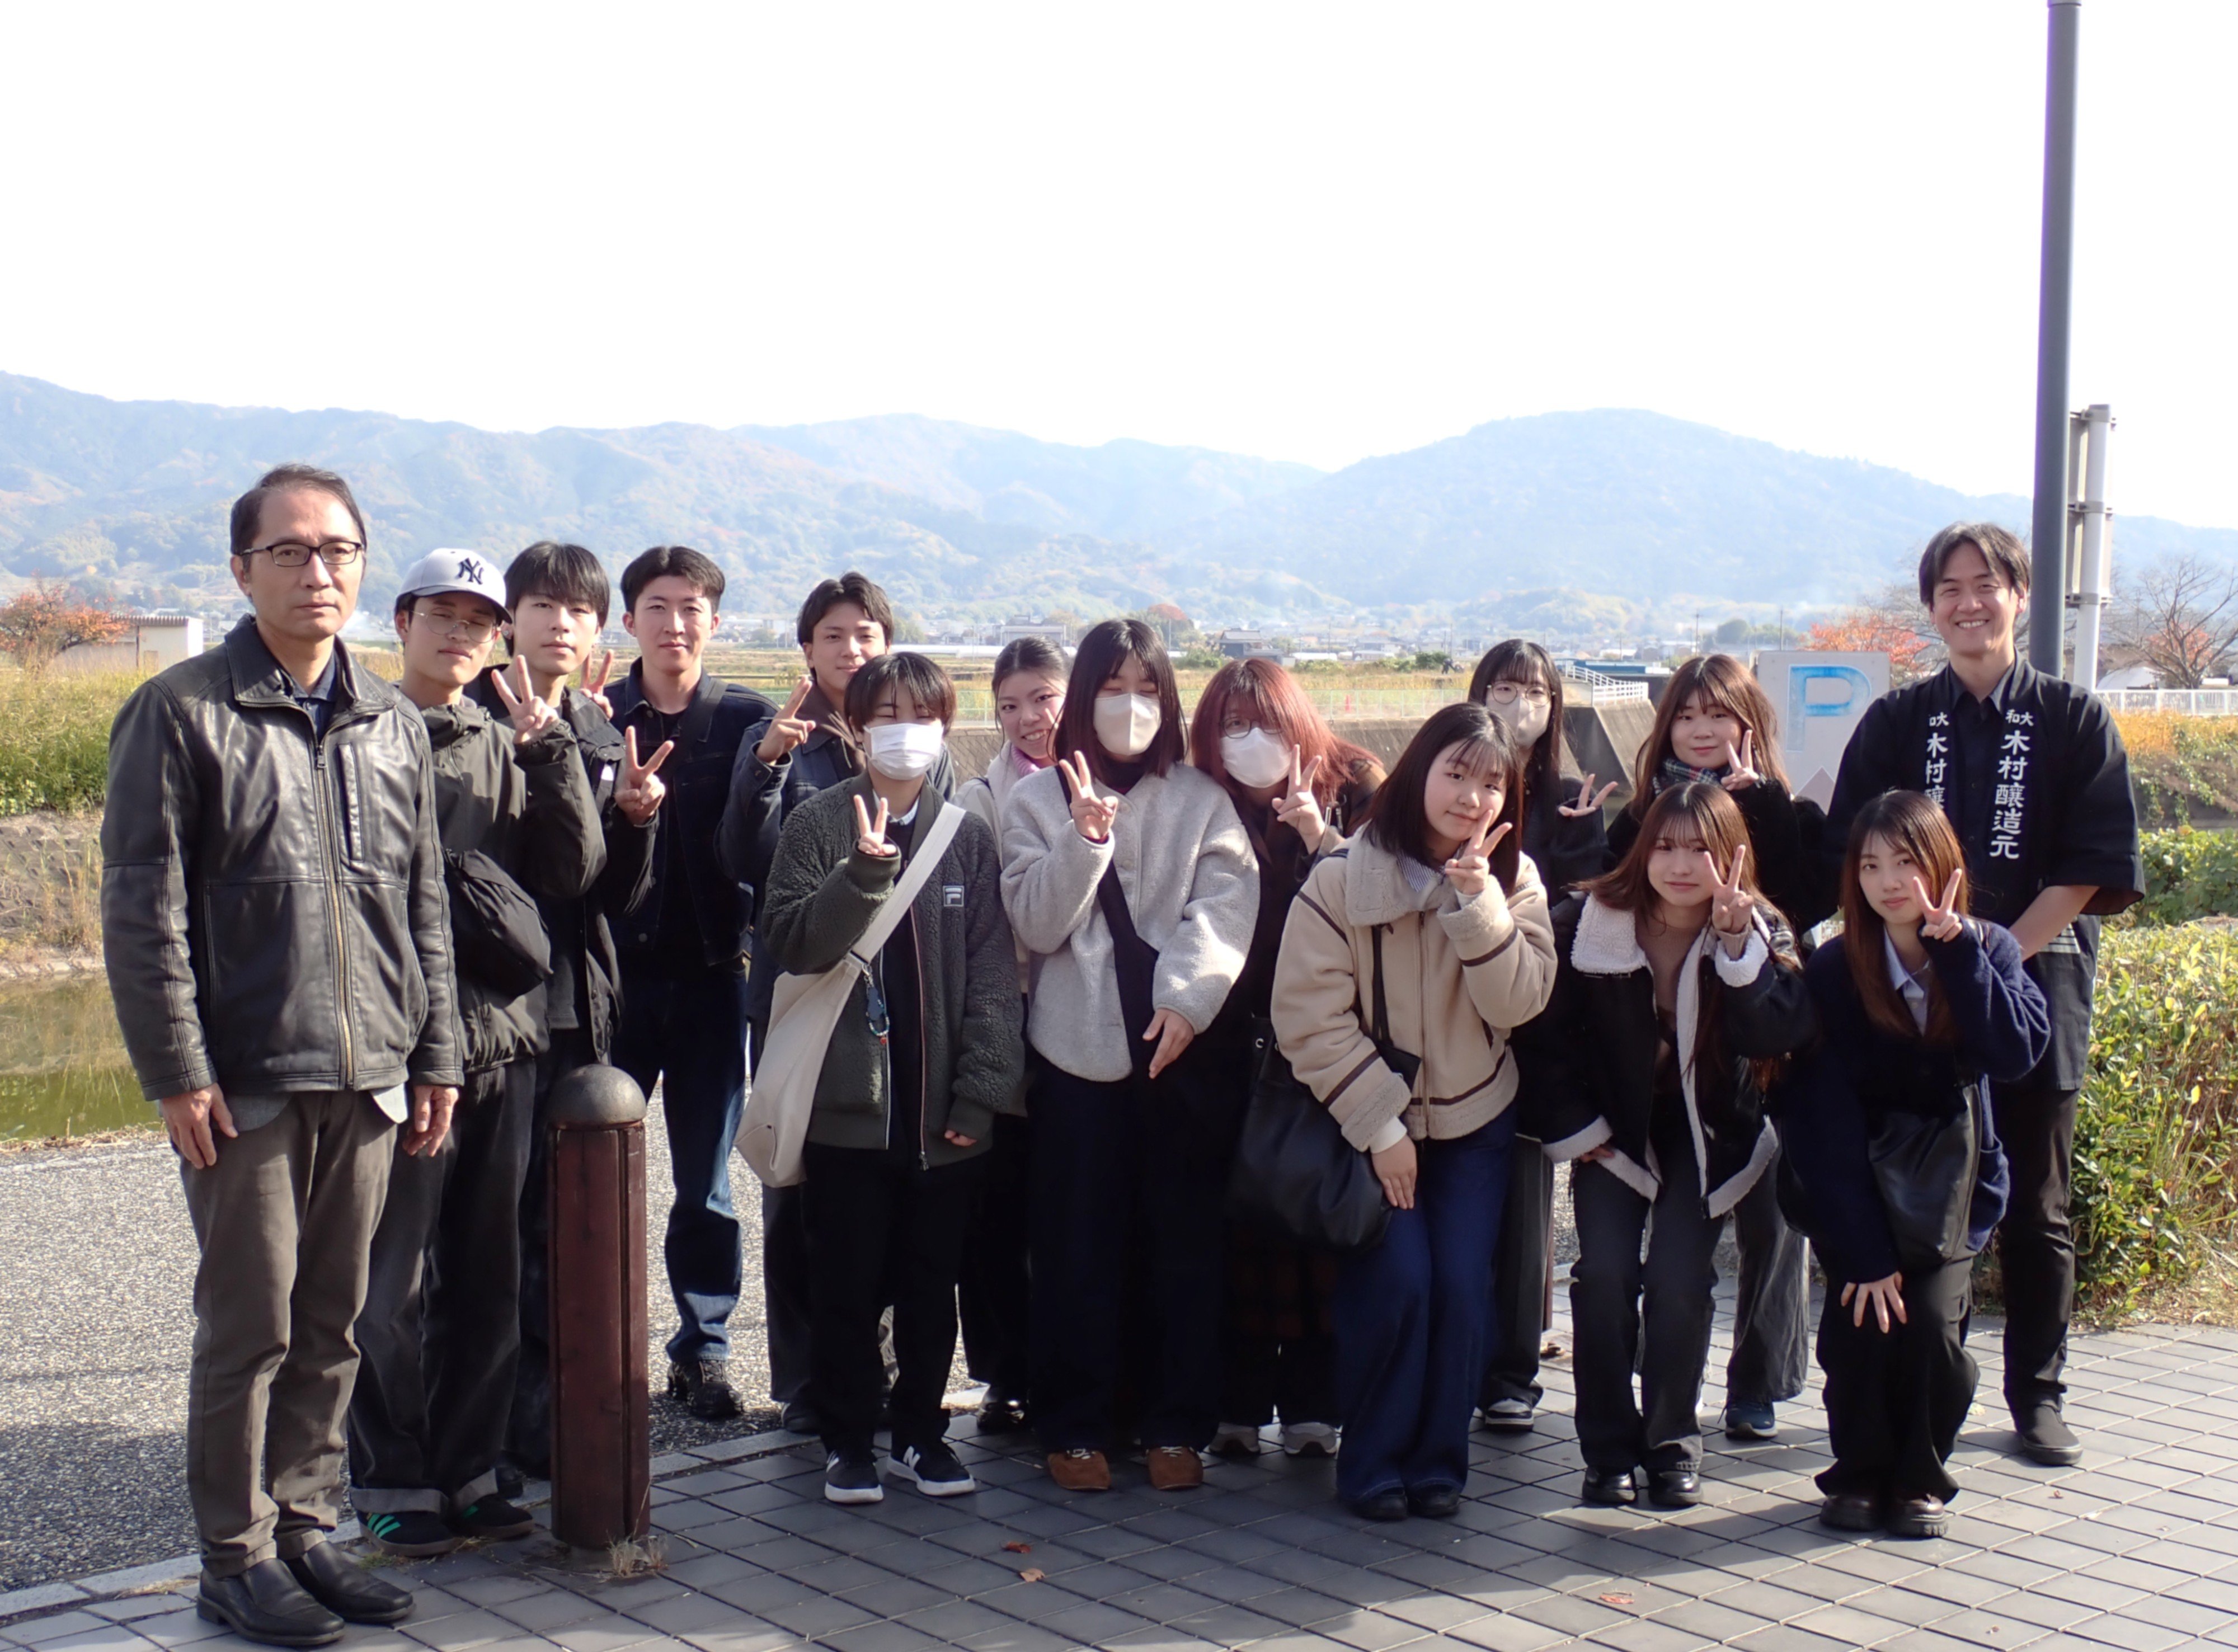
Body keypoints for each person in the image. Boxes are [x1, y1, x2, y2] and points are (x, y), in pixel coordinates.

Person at [102, 465, 462, 1646]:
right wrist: (176, 1069)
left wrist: (437, 1052)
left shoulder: (389, 719)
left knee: (333, 1321)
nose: (318, 572)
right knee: (248, 1328)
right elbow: (143, 907)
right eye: (291, 551)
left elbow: (421, 903)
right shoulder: (180, 710)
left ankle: (308, 1528)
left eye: (339, 550)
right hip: (247, 1079)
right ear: (241, 569)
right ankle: (234, 1555)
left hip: (370, 1073)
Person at [1823, 523, 2142, 1466]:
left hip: (2033, 985)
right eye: (1950, 589)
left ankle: (2038, 1393)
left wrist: (1986, 959)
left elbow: (2088, 869)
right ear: (1931, 607)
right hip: (1910, 999)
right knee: (1923, 1189)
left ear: (2019, 594)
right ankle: (1930, 1386)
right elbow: (1849, 850)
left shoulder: (2075, 719)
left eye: (1986, 584)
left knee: (2036, 1200)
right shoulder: (1898, 722)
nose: (1969, 603)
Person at [349, 551, 604, 1555]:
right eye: (442, 616)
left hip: (503, 1039)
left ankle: (469, 1468)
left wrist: (553, 758)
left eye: (478, 622)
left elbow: (571, 873)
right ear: (403, 621)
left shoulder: (510, 741)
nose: (461, 635)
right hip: (399, 1047)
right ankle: (391, 1474)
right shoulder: (359, 734)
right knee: (394, 1279)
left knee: (489, 1270)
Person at [1270, 702, 1557, 1520]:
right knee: (1399, 1283)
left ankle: (1438, 1462)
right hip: (1371, 1126)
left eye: (1491, 784)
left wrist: (1479, 907)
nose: (1472, 797)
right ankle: (1372, 1460)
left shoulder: (1514, 880)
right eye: (1456, 774)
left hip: (1474, 1121)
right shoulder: (1341, 878)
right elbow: (1307, 1017)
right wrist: (1381, 1127)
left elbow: (1521, 1004)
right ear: (1418, 772)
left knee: (1463, 1289)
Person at [759, 652, 1026, 1504]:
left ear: (945, 727)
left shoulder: (966, 836)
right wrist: (862, 878)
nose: (905, 730)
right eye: (887, 714)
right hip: (848, 1109)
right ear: (858, 726)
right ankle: (848, 1441)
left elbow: (993, 975)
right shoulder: (817, 823)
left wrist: (981, 1091)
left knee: (929, 1286)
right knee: (843, 1284)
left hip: (941, 1114)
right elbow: (789, 941)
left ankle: (921, 1433)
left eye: (923, 714)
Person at [1000, 618, 1258, 1493]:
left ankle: (1174, 1420)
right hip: (1073, 1055)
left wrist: (1186, 998)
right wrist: (1084, 841)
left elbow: (1226, 906)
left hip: (1175, 1053)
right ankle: (1074, 1424)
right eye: (1113, 688)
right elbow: (1035, 925)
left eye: (1148, 689)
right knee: (1075, 1244)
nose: (1132, 706)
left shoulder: (1201, 800)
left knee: (1179, 1241)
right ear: (1084, 697)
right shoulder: (1034, 802)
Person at [1521, 783, 1814, 1510]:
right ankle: (1607, 1452)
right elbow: (1541, 1041)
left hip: (1707, 1132)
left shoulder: (1761, 926)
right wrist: (1580, 1128)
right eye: (1666, 846)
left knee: (1681, 1282)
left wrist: (1739, 948)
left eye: (1701, 849)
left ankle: (1673, 1445)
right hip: (1613, 1131)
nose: (1682, 866)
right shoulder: (1585, 922)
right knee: (1604, 1276)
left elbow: (1777, 1036)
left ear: (1733, 856)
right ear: (1643, 850)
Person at [720, 570, 960, 1434]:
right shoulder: (778, 735)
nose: (851, 648)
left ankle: (877, 1378)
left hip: (904, 1005)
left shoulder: (923, 740)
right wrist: (766, 767)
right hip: (804, 994)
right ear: (807, 647)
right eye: (833, 634)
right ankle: (808, 1381)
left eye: (866, 633)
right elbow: (744, 859)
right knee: (798, 1189)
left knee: (888, 1191)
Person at [1776, 792, 2046, 1537]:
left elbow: (2016, 1054)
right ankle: (1860, 1474)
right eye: (1871, 866)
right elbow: (1819, 1114)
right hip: (1857, 1181)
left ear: (1942, 862)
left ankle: (1919, 1478)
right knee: (1862, 1322)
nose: (1890, 881)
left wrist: (1958, 954)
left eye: (1906, 861)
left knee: (1929, 1326)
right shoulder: (1837, 966)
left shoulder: (1989, 947)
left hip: (1953, 1187)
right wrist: (1862, 1248)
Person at [472, 542, 661, 1489]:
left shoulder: (598, 723)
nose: (559, 623)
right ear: (510, 618)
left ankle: (548, 1422)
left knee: (562, 1225)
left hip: (579, 1008)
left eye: (578, 610)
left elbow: (612, 895)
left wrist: (636, 820)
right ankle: (487, 1432)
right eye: (542, 605)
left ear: (596, 628)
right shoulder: (474, 717)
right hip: (498, 1008)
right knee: (491, 1229)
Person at [1606, 652, 1825, 1442]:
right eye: (1687, 715)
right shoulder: (1643, 817)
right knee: (1675, 1238)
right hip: (1679, 1059)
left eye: (1719, 714)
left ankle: (1758, 1381)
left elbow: (1806, 904)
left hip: (1764, 1040)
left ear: (1749, 722)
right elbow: (1608, 907)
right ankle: (1668, 1376)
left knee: (1772, 1219)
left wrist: (1761, 809)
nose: (1702, 730)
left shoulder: (1789, 810)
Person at [1192, 658, 1383, 1462]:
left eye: (1264, 722)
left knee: (1314, 1217)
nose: (1249, 742)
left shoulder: (1356, 784)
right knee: (1238, 1219)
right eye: (1231, 726)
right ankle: (1234, 1403)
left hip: (1330, 1041)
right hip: (1228, 1039)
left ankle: (1314, 1404)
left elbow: (1386, 902)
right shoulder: (1207, 796)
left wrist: (1317, 837)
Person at [605, 546, 775, 1420]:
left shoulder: (749, 720)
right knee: (589, 1170)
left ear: (715, 620)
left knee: (705, 1183)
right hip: (613, 984)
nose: (675, 624)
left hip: (713, 983)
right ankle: (589, 1347)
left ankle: (703, 1349)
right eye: (657, 607)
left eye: (692, 608)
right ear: (628, 619)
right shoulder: (598, 714)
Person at [1465, 640, 1614, 1436]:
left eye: (1535, 690)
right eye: (1503, 686)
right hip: (1452, 1020)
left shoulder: (1570, 799)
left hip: (1536, 1028)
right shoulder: (1455, 784)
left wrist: (1582, 847)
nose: (1519, 703)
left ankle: (1511, 1373)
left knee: (1524, 1211)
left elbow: (1586, 912)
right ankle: (1455, 1362)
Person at [954, 636, 1067, 1435]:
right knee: (998, 1210)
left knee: (1071, 1206)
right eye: (1010, 706)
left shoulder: (1114, 785)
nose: (1029, 718)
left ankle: (1070, 1368)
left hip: (1092, 1025)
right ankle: (1005, 1375)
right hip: (1008, 1019)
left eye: (1043, 697)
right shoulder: (979, 800)